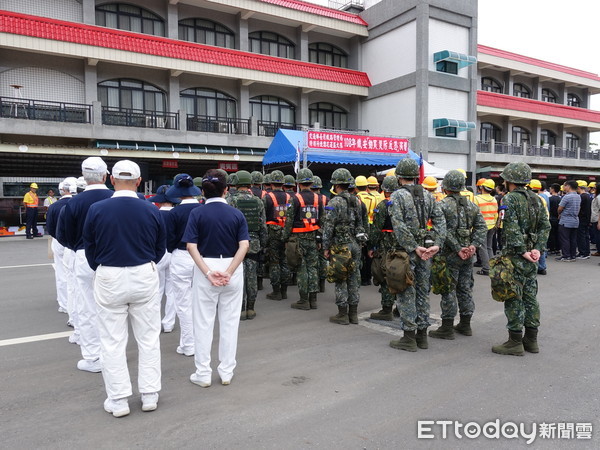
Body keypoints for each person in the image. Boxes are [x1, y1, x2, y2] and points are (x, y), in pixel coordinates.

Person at [83, 160, 165, 417]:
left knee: (112, 340)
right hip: (143, 272)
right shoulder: (151, 209)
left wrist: (103, 266)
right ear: (139, 181)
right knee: (149, 337)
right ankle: (149, 394)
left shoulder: (97, 208)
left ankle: (118, 400)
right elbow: (160, 247)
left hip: (110, 273)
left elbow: (90, 247)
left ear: (111, 179)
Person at [184, 169, 249, 387]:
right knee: (230, 322)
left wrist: (208, 272)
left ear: (203, 191)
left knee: (203, 323)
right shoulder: (236, 214)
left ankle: (202, 373)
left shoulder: (197, 213)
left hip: (206, 267)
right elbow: (244, 245)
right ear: (226, 190)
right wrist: (229, 271)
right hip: (232, 267)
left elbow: (191, 245)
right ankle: (226, 371)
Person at [58, 156, 113, 373]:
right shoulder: (114, 197)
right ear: (105, 176)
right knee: (112, 309)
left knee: (87, 307)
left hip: (82, 257)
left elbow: (64, 236)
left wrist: (78, 247)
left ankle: (93, 357)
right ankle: (112, 353)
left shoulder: (73, 204)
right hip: (111, 257)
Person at [491, 162, 550, 356]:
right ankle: (531, 341)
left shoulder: (509, 199)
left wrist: (523, 250)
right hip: (531, 255)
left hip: (515, 255)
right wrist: (537, 250)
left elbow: (510, 227)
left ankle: (514, 341)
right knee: (530, 296)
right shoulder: (537, 199)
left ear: (509, 181)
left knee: (513, 295)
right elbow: (544, 226)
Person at [388, 158, 446, 352]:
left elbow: (398, 225)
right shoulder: (429, 196)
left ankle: (409, 337)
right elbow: (440, 221)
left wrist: (413, 246)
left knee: (405, 291)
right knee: (422, 291)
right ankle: (422, 336)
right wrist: (436, 244)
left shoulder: (398, 196)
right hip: (426, 250)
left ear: (399, 177)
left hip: (407, 251)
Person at [428, 170, 486, 340]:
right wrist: (473, 246)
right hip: (468, 255)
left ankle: (447, 327)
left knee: (448, 289)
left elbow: (442, 230)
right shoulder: (472, 205)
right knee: (465, 287)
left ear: (445, 187)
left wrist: (457, 248)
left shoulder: (442, 205)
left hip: (449, 255)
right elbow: (482, 227)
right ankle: (465, 325)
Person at [322, 168, 366, 325]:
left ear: (335, 185)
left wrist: (325, 247)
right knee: (354, 278)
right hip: (355, 245)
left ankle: (342, 314)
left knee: (341, 279)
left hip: (341, 246)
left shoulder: (334, 203)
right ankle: (353, 314)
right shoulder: (357, 201)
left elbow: (328, 227)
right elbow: (362, 224)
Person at [166, 174, 202, 356]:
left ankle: (188, 344)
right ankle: (197, 342)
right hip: (202, 257)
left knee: (183, 302)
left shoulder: (174, 213)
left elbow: (169, 240)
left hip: (181, 256)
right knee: (200, 302)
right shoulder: (203, 209)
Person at [227, 170, 267, 320]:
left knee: (238, 278)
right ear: (250, 183)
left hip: (236, 244)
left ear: (236, 184)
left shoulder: (230, 200)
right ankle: (251, 308)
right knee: (251, 277)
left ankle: (240, 308)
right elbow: (263, 226)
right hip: (254, 243)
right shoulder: (258, 201)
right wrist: (263, 244)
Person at [283, 168, 323, 311]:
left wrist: (285, 238)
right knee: (313, 268)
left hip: (298, 239)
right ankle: (313, 300)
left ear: (298, 183)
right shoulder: (319, 198)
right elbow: (322, 220)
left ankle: (304, 300)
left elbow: (289, 221)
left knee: (301, 268)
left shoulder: (295, 199)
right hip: (313, 238)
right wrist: (320, 240)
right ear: (311, 182)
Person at [367, 175, 399, 321]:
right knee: (401, 274)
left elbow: (376, 229)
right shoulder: (406, 203)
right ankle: (401, 308)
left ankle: (387, 310)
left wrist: (371, 246)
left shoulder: (383, 206)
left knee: (386, 276)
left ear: (385, 190)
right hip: (403, 245)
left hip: (386, 246)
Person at [148, 185, 179, 333]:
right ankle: (169, 323)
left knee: (157, 290)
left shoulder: (154, 214)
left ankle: (154, 322)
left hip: (158, 255)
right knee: (171, 290)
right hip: (174, 253)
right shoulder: (176, 213)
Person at [46, 178, 77, 315]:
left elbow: (50, 228)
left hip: (59, 241)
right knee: (76, 273)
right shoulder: (77, 203)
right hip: (75, 243)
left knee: (61, 272)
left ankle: (64, 304)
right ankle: (76, 300)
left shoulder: (54, 206)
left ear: (62, 190)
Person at [263, 170, 291, 301]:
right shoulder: (290, 197)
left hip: (273, 232)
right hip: (286, 231)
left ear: (271, 183)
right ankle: (284, 291)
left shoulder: (267, 197)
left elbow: (262, 216)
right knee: (284, 261)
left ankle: (276, 291)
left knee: (274, 262)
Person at [473, 179, 498, 276]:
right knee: (489, 247)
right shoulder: (494, 199)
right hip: (492, 225)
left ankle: (486, 269)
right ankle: (492, 267)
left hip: (481, 226)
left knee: (482, 248)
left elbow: (474, 213)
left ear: (482, 187)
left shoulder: (477, 199)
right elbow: (496, 214)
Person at [311, 176, 329, 293]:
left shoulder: (309, 199)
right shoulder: (326, 199)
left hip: (311, 230)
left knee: (313, 259)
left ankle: (315, 284)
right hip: (324, 231)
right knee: (323, 258)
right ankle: (322, 284)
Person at [556, 180, 581, 262]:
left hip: (565, 220)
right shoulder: (578, 196)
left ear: (568, 186)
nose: (563, 187)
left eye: (564, 185)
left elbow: (560, 208)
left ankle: (566, 255)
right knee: (573, 238)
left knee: (564, 238)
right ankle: (572, 255)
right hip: (575, 220)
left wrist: (559, 213)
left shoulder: (566, 197)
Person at [576, 180, 591, 259]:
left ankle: (582, 253)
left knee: (581, 236)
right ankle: (587, 252)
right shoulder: (589, 196)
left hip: (581, 218)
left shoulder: (581, 197)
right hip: (587, 219)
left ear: (579, 188)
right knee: (586, 236)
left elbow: (579, 208)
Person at [547, 183, 561, 255]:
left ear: (552, 189)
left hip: (551, 218)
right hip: (558, 218)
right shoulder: (560, 198)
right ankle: (558, 249)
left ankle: (552, 248)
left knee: (551, 234)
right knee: (558, 234)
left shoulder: (549, 199)